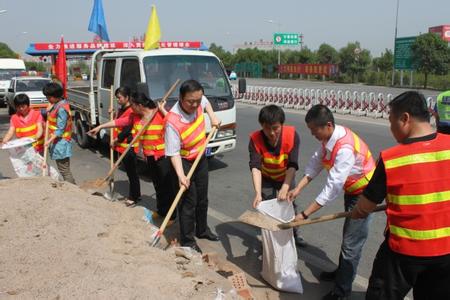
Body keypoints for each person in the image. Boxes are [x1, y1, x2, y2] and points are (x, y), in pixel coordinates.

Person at [351, 91, 450, 300]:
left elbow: (364, 208)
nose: (391, 128)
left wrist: (357, 211)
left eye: (391, 121)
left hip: (403, 253)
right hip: (446, 253)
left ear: (405, 118)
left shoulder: (391, 159)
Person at [287, 104, 376, 300]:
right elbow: (315, 163)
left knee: (351, 245)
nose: (312, 134)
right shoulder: (330, 138)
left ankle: (341, 292)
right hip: (352, 190)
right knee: (348, 239)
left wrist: (304, 214)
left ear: (327, 125)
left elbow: (331, 188)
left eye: (314, 130)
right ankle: (342, 273)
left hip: (364, 195)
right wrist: (298, 188)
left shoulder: (344, 147)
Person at [88, 92, 176, 216]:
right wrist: (101, 127)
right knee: (157, 185)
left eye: (132, 105)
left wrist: (163, 110)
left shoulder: (158, 113)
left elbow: (175, 123)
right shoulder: (135, 117)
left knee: (167, 186)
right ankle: (162, 210)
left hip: (163, 157)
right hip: (149, 156)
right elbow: (119, 122)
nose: (131, 107)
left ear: (139, 105)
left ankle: (171, 215)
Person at [164, 79, 220, 253]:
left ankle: (202, 230)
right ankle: (187, 240)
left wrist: (212, 116)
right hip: (184, 162)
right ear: (181, 98)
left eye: (197, 100)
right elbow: (173, 153)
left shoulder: (199, 100)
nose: (195, 105)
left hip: (200, 158)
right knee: (188, 202)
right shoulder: (172, 120)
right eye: (190, 101)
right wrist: (181, 176)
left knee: (202, 197)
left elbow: (206, 103)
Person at [249, 104, 306, 247]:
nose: (272, 132)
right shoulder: (255, 139)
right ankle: (270, 235)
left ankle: (294, 233)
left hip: (286, 176)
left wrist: (285, 187)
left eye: (275, 128)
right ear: (261, 125)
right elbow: (255, 167)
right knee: (267, 206)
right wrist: (257, 193)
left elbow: (293, 164)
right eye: (267, 128)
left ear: (282, 124)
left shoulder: (292, 135)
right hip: (267, 177)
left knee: (289, 204)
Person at [111, 86, 141, 206]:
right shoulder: (121, 109)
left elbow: (127, 129)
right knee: (130, 173)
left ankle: (133, 197)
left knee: (132, 173)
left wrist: (117, 139)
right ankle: (136, 194)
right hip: (121, 146)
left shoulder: (131, 111)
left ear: (127, 97)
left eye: (120, 98)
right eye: (117, 98)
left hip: (129, 147)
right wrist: (113, 114)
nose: (118, 100)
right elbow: (117, 123)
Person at [43, 82, 75, 184]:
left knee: (64, 170)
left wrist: (48, 141)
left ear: (55, 96)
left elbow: (60, 129)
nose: (47, 99)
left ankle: (74, 190)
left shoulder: (61, 109)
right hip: (58, 141)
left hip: (62, 143)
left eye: (48, 97)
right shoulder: (58, 104)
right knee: (64, 169)